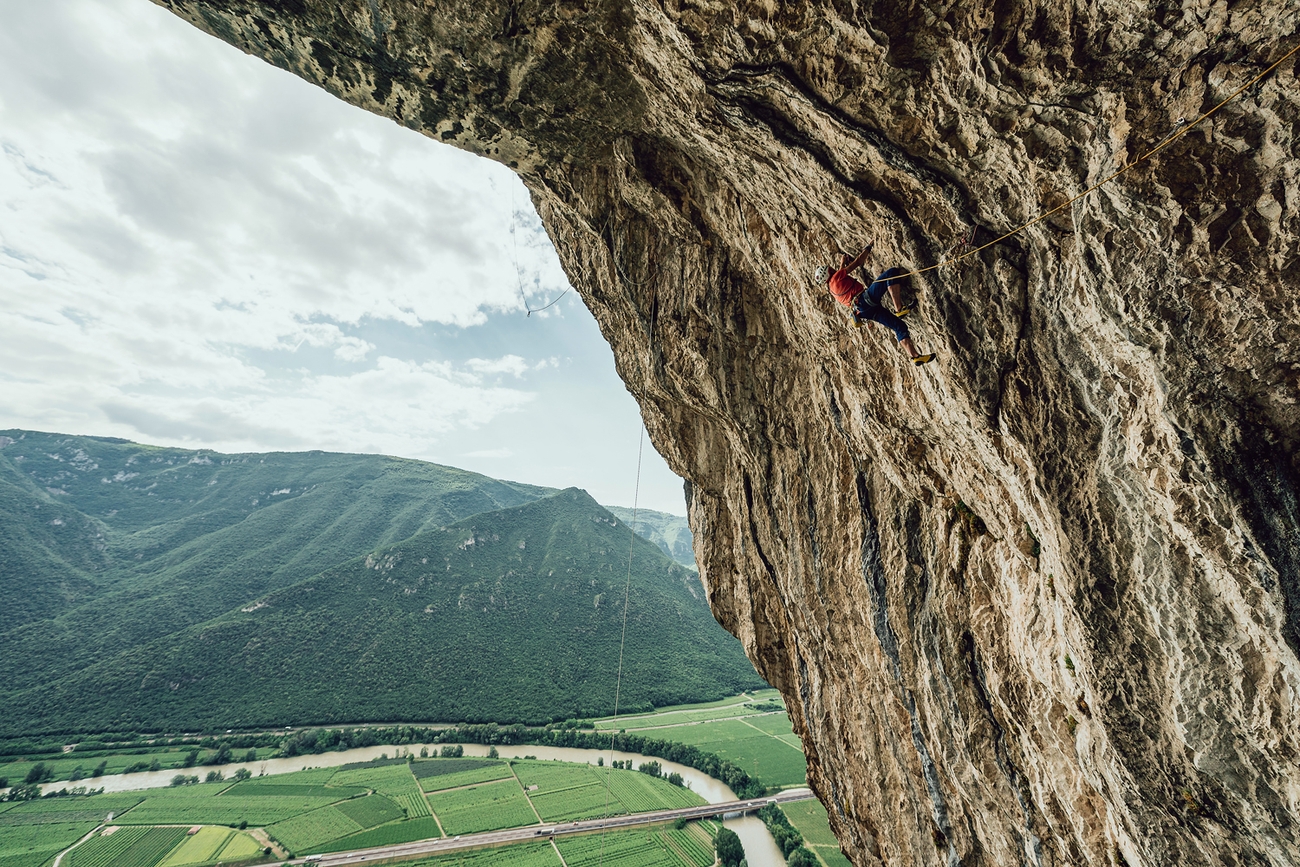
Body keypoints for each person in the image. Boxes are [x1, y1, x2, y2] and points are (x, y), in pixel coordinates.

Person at [816, 242, 935, 365]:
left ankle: (915, 356)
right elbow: (857, 262)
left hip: (864, 312)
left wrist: (842, 263)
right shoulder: (836, 277)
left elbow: (839, 276)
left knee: (899, 326)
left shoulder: (832, 289)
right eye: (831, 269)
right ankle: (899, 308)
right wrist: (868, 247)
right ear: (829, 272)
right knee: (891, 273)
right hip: (865, 300)